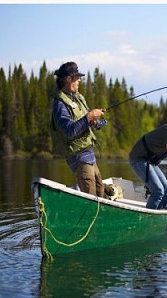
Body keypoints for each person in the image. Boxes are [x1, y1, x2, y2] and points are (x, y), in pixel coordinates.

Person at [50, 61, 105, 197]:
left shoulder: (78, 98)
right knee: (91, 198)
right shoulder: (59, 105)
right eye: (77, 77)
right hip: (78, 158)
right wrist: (90, 116)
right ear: (68, 79)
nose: (80, 80)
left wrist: (97, 122)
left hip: (89, 154)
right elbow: (69, 131)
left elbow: (85, 120)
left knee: (101, 192)